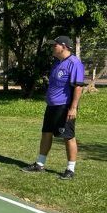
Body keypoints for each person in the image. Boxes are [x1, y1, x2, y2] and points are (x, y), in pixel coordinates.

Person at [22, 36, 85, 180]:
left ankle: (70, 169)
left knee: (68, 137)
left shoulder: (74, 63)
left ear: (64, 46)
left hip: (64, 106)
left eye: (54, 45)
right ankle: (40, 164)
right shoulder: (57, 62)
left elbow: (78, 87)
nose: (52, 48)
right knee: (46, 133)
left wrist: (73, 108)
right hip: (52, 105)